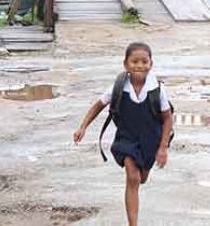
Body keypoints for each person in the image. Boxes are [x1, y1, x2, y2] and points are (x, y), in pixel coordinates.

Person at [73, 42, 173, 226]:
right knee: (132, 177)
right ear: (126, 64)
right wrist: (83, 127)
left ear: (151, 64)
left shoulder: (157, 89)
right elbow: (98, 105)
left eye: (144, 61)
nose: (140, 65)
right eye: (134, 61)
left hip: (150, 139)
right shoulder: (119, 86)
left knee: (141, 178)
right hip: (126, 138)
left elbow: (168, 118)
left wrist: (163, 148)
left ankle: (143, 170)